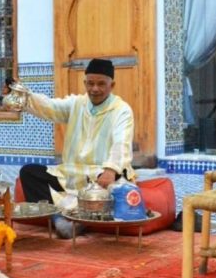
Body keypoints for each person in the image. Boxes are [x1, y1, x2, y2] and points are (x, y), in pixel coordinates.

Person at [13, 58, 135, 238]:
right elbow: (49, 107)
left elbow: (121, 143)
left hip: (101, 174)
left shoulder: (121, 110)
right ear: (85, 83)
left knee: (114, 187)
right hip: (72, 173)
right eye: (91, 83)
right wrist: (20, 94)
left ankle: (77, 218)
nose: (95, 89)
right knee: (29, 172)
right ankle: (60, 221)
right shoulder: (77, 103)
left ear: (112, 85)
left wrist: (110, 169)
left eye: (101, 84)